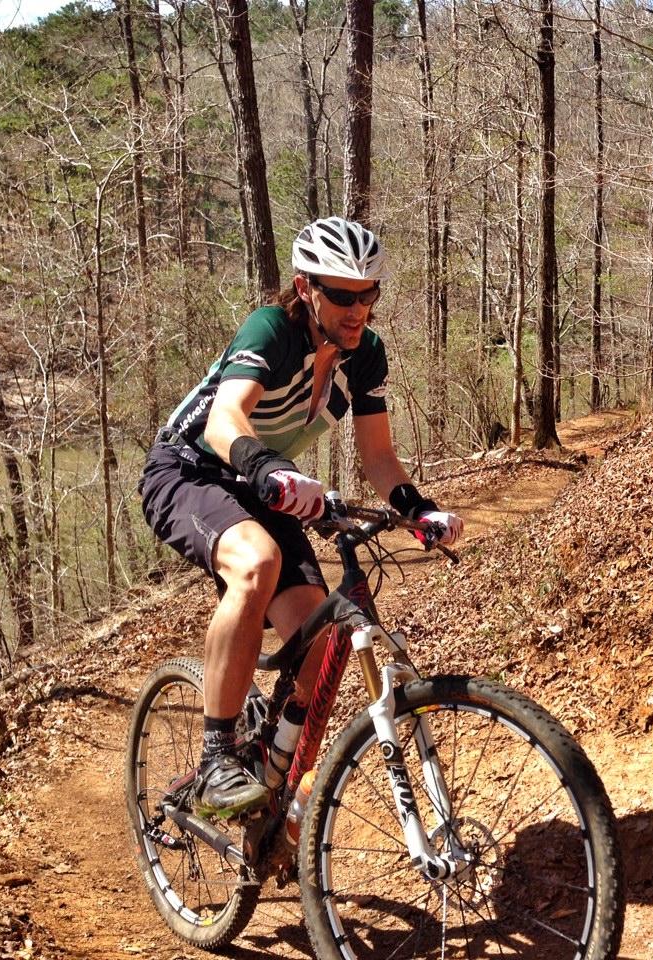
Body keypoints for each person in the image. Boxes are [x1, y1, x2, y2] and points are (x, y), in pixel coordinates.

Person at [139, 217, 463, 820]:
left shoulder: (364, 355)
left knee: (320, 642)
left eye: (368, 294)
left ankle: (272, 767)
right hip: (187, 470)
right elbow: (224, 419)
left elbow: (378, 457)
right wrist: (267, 468)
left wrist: (419, 510)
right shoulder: (272, 331)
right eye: (341, 294)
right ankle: (215, 760)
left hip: (263, 482)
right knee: (257, 563)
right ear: (306, 288)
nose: (356, 307)